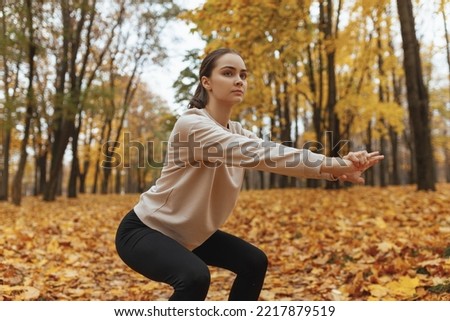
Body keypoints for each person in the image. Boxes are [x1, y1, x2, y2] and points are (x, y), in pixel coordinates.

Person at [115, 48, 384, 301]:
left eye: (243, 75)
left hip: (188, 233)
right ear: (206, 82)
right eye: (228, 73)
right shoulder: (192, 125)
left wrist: (335, 170)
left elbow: (277, 156)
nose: (239, 81)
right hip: (146, 230)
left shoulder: (237, 130)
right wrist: (334, 163)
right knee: (194, 277)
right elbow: (260, 153)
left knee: (253, 262)